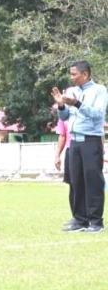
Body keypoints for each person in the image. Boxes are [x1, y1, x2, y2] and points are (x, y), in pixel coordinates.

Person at [52, 60, 107, 232]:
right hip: (73, 142)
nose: (71, 77)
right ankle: (79, 219)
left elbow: (98, 115)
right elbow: (64, 118)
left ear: (85, 74)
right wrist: (61, 105)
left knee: (93, 182)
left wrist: (76, 103)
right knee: (75, 182)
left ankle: (96, 222)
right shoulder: (71, 91)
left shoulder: (100, 90)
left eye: (74, 74)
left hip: (91, 141)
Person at [54, 116, 74, 228]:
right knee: (73, 185)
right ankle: (77, 216)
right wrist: (57, 155)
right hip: (71, 150)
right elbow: (62, 135)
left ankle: (92, 217)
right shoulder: (64, 114)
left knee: (87, 184)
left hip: (86, 148)